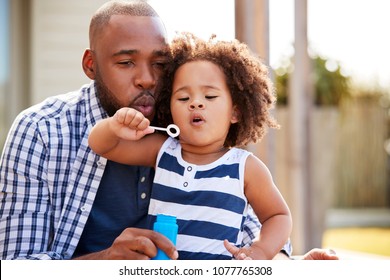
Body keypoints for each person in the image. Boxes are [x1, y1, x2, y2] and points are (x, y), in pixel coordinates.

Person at [0, 0, 337, 261]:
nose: (147, 78)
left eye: (159, 63)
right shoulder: (42, 131)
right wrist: (106, 264)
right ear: (91, 65)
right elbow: (16, 266)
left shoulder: (194, 133)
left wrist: (284, 264)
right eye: (126, 62)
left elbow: (253, 234)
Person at [88, 31, 294, 260]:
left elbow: (278, 216)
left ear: (235, 111)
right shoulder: (162, 151)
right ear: (169, 109)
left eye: (210, 97)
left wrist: (261, 251)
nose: (196, 103)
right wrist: (114, 125)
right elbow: (102, 146)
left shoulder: (245, 167)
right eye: (184, 98)